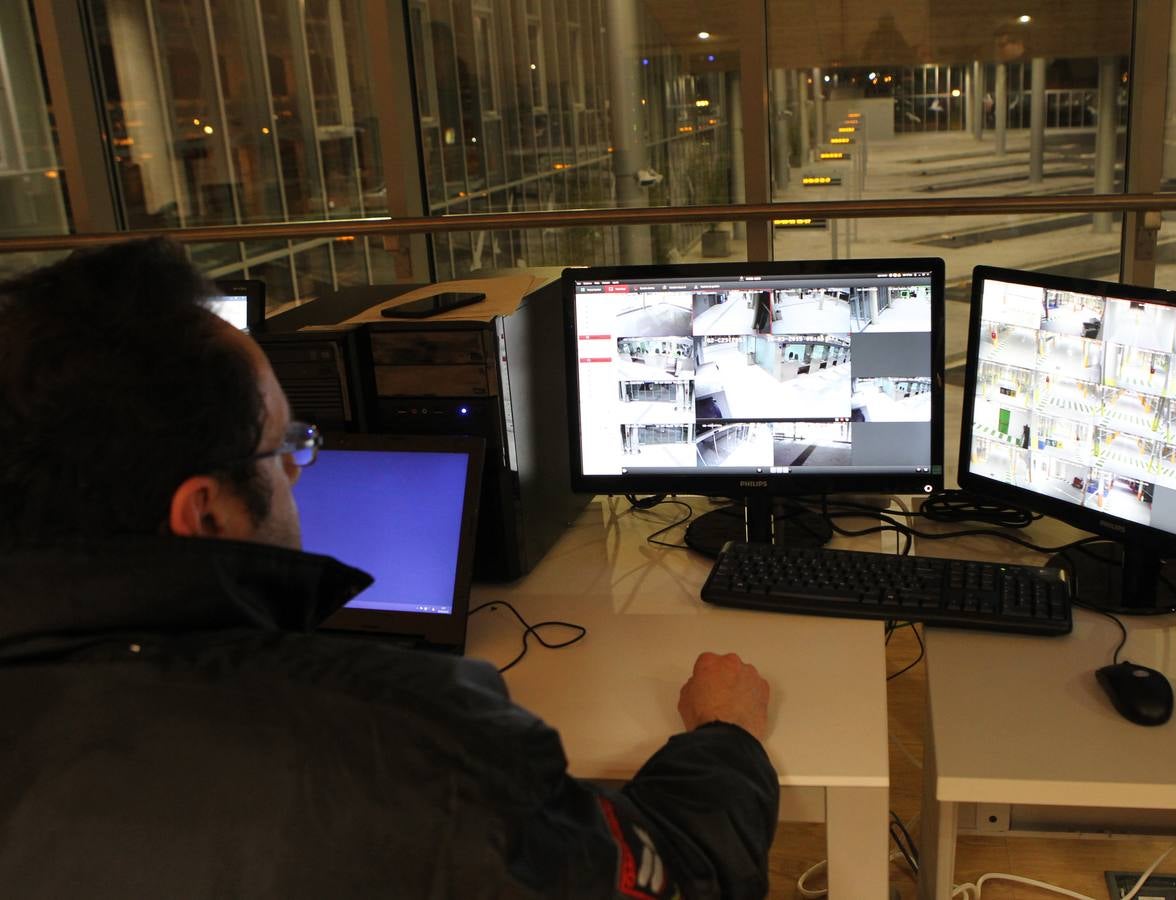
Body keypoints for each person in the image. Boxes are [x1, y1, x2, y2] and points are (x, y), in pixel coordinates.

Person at [0, 239, 778, 898]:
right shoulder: (412, 738)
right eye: (284, 448)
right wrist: (726, 734)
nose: (300, 470)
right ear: (204, 515)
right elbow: (670, 872)